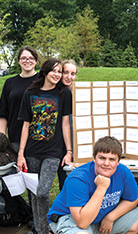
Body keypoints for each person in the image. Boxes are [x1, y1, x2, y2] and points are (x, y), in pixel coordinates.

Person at [47, 136, 138, 234]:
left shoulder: (123, 172)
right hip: (70, 218)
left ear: (118, 161)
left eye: (112, 159)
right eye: (102, 158)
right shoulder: (78, 179)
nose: (106, 163)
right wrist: (101, 187)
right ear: (94, 158)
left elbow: (132, 199)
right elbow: (82, 223)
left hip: (101, 217)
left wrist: (111, 217)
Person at [17, 58, 73, 234]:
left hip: (53, 152)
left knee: (42, 192)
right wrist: (21, 153)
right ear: (45, 72)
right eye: (53, 71)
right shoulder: (30, 93)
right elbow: (26, 125)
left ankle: (45, 226)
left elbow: (65, 124)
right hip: (32, 151)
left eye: (59, 71)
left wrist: (69, 151)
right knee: (33, 193)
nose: (57, 74)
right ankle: (41, 229)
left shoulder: (64, 94)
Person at [0, 46, 39, 152]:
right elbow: (3, 111)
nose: (27, 61)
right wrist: (2, 137)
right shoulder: (10, 83)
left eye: (31, 58)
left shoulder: (42, 81)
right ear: (19, 61)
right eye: (23, 58)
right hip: (15, 136)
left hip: (38, 139)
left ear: (36, 61)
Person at [57, 59, 78, 191]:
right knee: (63, 175)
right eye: (66, 72)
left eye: (73, 73)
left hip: (73, 139)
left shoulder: (76, 93)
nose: (69, 77)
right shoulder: (54, 92)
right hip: (57, 141)